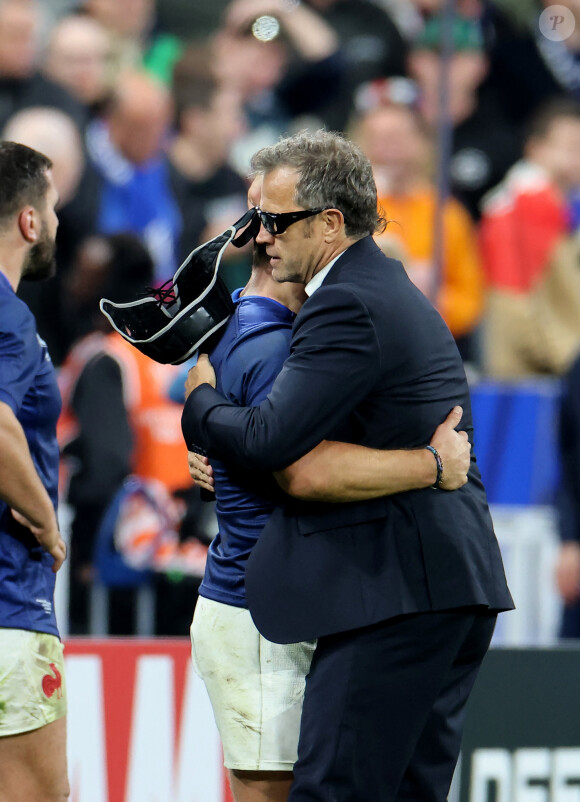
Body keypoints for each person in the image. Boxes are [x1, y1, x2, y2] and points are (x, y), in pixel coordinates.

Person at [182, 130, 514, 801]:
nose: (258, 239)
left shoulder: (346, 303)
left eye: (274, 222)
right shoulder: (374, 286)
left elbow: (278, 446)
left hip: (395, 593)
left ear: (331, 223)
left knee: (334, 791)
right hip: (444, 587)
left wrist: (201, 404)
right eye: (253, 221)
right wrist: (427, 464)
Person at [0, 141, 69, 800]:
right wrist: (48, 527)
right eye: (52, 207)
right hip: (7, 603)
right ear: (28, 221)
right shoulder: (6, 314)